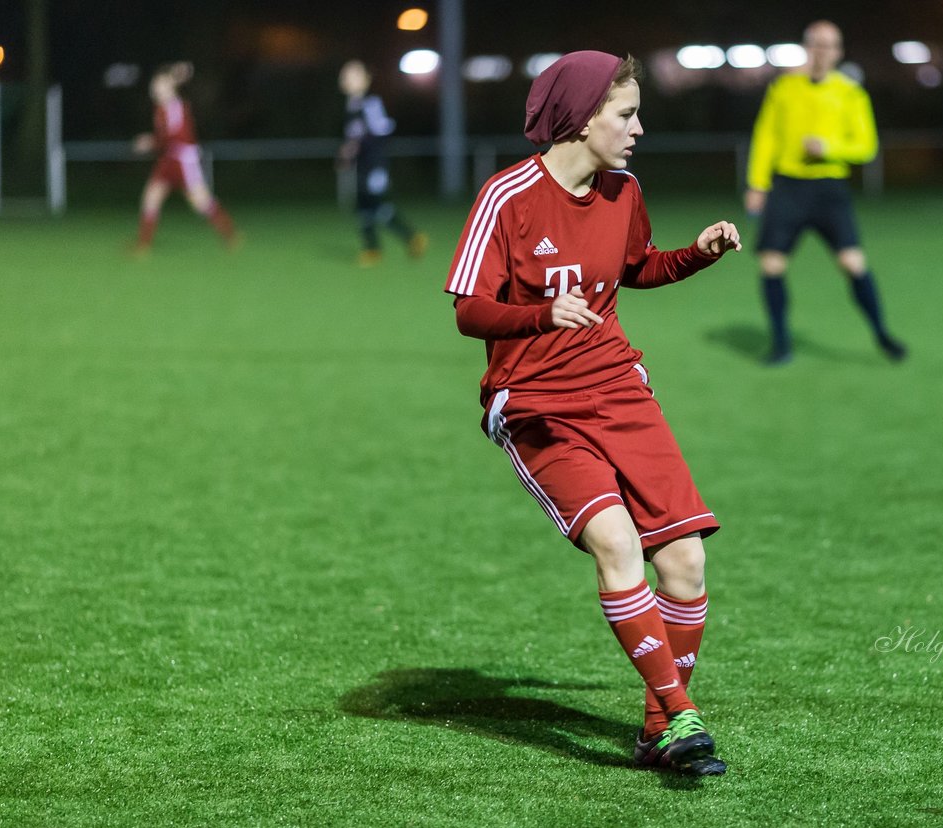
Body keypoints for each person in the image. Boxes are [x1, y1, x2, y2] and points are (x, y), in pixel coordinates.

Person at [442, 51, 741, 776]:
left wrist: (694, 255)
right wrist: (542, 316)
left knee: (686, 560)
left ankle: (657, 732)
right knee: (617, 545)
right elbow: (468, 311)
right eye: (626, 114)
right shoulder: (506, 197)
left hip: (619, 389)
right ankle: (681, 716)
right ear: (581, 118)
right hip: (538, 403)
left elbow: (636, 267)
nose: (638, 129)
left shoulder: (624, 190)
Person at [745, 20, 906, 365]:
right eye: (815, 43)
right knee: (771, 264)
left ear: (839, 52)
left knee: (852, 262)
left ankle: (882, 334)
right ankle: (781, 345)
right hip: (788, 186)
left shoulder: (850, 93)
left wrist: (828, 148)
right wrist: (757, 184)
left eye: (829, 45)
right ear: (806, 47)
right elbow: (765, 138)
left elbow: (866, 146)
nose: (821, 51)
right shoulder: (784, 89)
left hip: (829, 189)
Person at [131, 63, 238, 255]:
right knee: (150, 198)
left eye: (160, 85)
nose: (155, 88)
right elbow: (165, 139)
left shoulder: (175, 106)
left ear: (170, 86)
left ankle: (230, 234)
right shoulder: (161, 108)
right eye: (154, 85)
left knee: (201, 202)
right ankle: (142, 246)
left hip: (183, 160)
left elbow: (170, 137)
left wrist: (149, 142)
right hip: (168, 159)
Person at [338, 60, 427, 268]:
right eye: (344, 75)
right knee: (363, 206)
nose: (344, 78)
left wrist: (357, 146)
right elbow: (354, 137)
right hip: (362, 165)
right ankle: (373, 249)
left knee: (375, 206)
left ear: (365, 79)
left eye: (351, 74)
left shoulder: (371, 102)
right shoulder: (351, 105)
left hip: (375, 164)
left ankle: (411, 237)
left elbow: (381, 131)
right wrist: (348, 152)